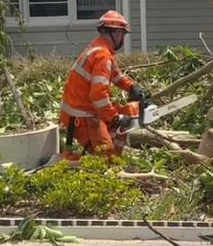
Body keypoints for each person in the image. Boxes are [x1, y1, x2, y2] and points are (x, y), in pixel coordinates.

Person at [59, 10, 148, 159]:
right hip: (82, 117)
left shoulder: (99, 48)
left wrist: (132, 87)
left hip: (82, 111)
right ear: (116, 33)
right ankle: (109, 170)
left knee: (122, 125)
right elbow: (98, 96)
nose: (122, 38)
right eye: (122, 34)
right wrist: (114, 117)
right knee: (105, 156)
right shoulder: (102, 55)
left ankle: (115, 161)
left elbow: (115, 75)